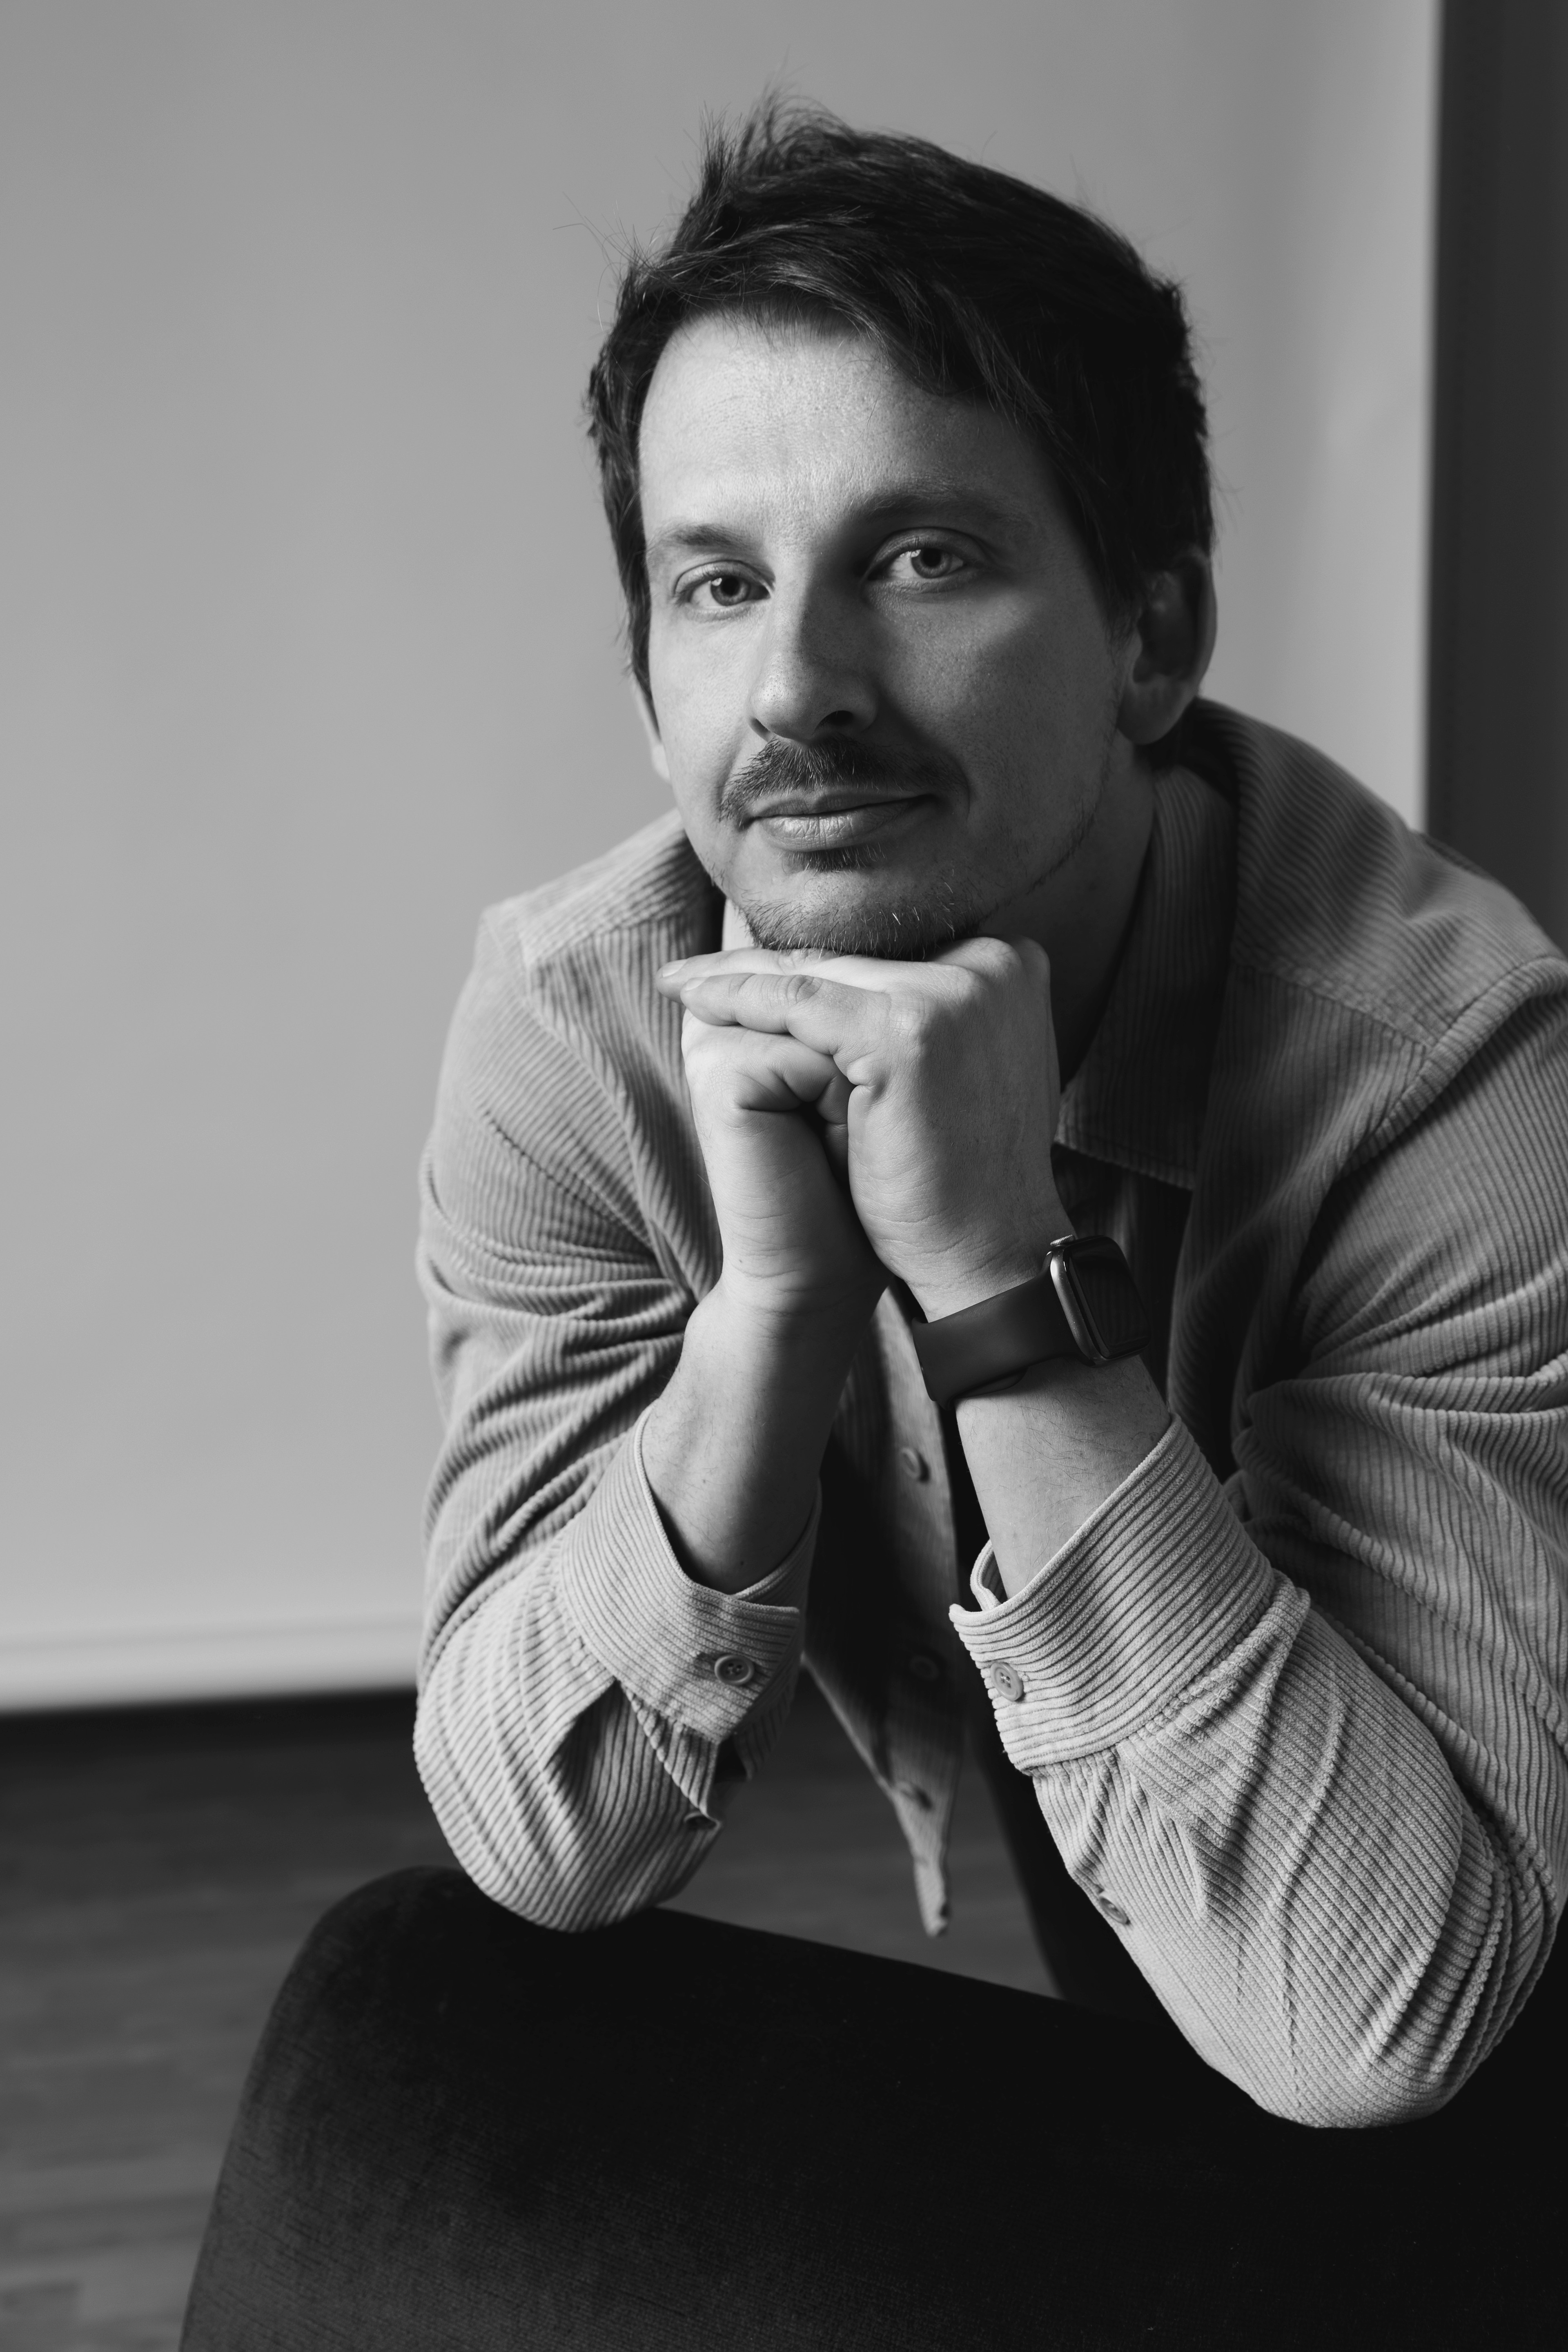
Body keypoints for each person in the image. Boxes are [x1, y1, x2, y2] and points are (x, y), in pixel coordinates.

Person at [412, 103, 1568, 2134]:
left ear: (1152, 639)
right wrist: (771, 1319)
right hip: (1146, 1755)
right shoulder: (577, 1029)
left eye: (921, 558)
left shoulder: (1453, 1078)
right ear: (649, 691)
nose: (797, 686)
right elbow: (539, 1837)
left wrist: (995, 1280)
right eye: (718, 583)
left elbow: (1378, 2012)